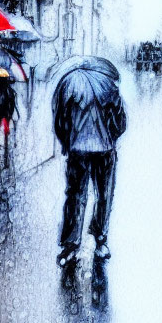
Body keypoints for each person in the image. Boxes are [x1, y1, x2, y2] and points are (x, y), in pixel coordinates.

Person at [53, 58, 127, 270]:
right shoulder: (108, 86)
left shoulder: (68, 85)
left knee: (75, 195)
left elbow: (59, 120)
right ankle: (100, 239)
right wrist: (110, 137)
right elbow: (121, 121)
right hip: (104, 150)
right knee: (104, 195)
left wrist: (68, 141)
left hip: (77, 150)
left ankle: (70, 244)